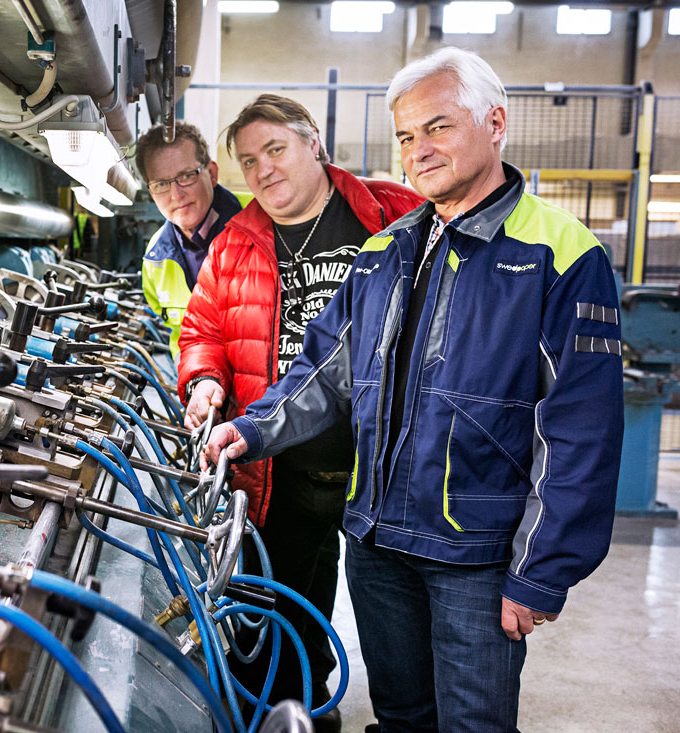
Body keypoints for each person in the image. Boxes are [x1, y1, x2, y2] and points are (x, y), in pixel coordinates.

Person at [203, 48, 623, 732]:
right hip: (376, 543)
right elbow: (322, 370)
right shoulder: (385, 251)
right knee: (400, 717)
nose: (418, 150)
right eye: (405, 136)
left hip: (475, 557)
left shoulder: (564, 255)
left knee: (472, 724)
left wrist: (541, 570)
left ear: (495, 123)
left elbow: (581, 434)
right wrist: (249, 429)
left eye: (438, 127)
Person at [177, 94, 421, 727]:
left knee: (401, 623)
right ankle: (303, 712)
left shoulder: (394, 212)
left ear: (314, 142)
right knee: (281, 611)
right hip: (281, 472)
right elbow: (202, 328)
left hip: (387, 471)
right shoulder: (234, 244)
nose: (264, 171)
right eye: (250, 161)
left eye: (276, 150)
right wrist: (204, 380)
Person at [137, 121, 245, 360]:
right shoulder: (155, 258)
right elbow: (179, 335)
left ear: (212, 173)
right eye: (162, 184)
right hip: (199, 387)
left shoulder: (262, 222)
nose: (176, 195)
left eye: (186, 176)